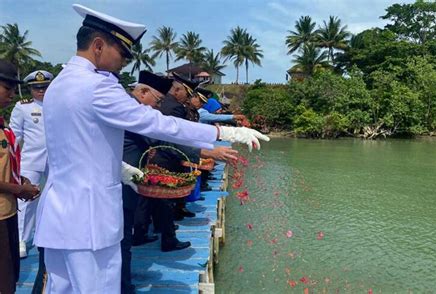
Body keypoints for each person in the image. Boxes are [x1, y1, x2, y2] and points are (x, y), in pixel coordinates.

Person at [34, 4, 268, 293]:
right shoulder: (97, 87)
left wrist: (121, 169)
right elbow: (158, 124)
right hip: (90, 222)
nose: (124, 62)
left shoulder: (59, 84)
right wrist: (225, 130)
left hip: (58, 217)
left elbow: (76, 146)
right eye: (122, 53)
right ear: (98, 45)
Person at [121, 70, 174, 293]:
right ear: (142, 92)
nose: (158, 106)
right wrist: (207, 147)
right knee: (121, 241)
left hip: (129, 184)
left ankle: (122, 282)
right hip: (120, 187)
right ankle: (122, 286)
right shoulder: (130, 111)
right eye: (158, 100)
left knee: (123, 240)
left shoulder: (134, 108)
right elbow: (168, 134)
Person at [0, 59, 40, 294]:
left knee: (9, 278)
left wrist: (20, 182)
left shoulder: (3, 128)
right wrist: (18, 190)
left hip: (7, 213)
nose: (13, 95)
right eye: (7, 88)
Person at [10, 70, 52, 259]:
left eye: (44, 87)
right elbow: (14, 136)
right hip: (31, 159)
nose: (41, 91)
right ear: (30, 89)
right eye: (37, 88)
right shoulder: (23, 107)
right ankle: (22, 240)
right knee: (26, 201)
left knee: (56, 198)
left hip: (56, 159)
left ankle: (53, 234)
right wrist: (12, 161)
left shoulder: (59, 104)